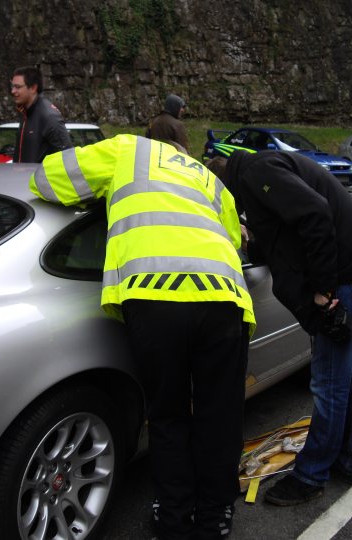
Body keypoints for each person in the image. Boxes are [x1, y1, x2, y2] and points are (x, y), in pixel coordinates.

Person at [30, 134, 255, 539]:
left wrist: (104, 196)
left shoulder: (127, 150)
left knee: (168, 416)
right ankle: (215, 519)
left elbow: (47, 178)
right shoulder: (209, 178)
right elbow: (234, 242)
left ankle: (172, 520)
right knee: (220, 417)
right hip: (223, 298)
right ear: (182, 150)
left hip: (155, 297)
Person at [206, 151, 352, 506]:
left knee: (329, 383)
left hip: (346, 277)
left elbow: (314, 215)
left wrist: (324, 289)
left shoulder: (257, 173)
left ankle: (310, 476)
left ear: (223, 187)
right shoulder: (261, 169)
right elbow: (286, 229)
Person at [9, 66, 72, 163]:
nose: (13, 91)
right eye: (12, 86)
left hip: (38, 177)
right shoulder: (25, 112)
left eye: (18, 87)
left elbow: (68, 158)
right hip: (21, 178)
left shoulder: (49, 117)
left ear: (33, 88)